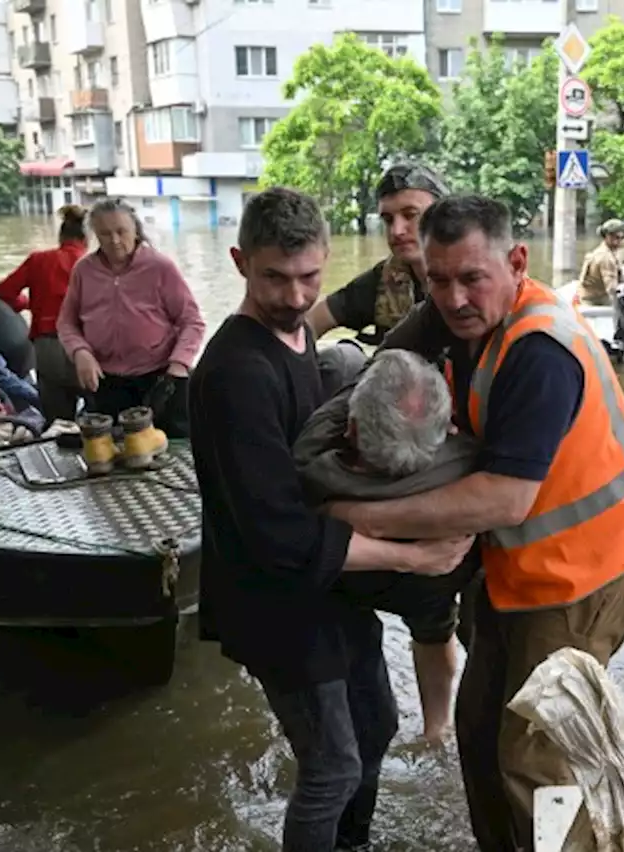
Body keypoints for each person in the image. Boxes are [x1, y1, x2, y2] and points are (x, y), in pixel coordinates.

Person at [327, 195, 624, 852]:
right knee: (478, 729)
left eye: (471, 279)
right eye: (438, 280)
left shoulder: (539, 354)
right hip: (522, 572)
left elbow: (503, 501)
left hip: (587, 577)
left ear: (517, 262)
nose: (454, 299)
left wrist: (355, 517)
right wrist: (349, 420)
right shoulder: (455, 312)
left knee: (536, 757)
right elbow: (384, 366)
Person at [186, 187, 474, 852]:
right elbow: (278, 536)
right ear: (240, 261)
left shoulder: (301, 337)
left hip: (331, 588)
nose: (294, 297)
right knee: (332, 766)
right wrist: (411, 558)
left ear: (328, 260)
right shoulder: (235, 372)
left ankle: (352, 843)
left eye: (309, 278)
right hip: (272, 600)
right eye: (275, 279)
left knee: (375, 727)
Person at [295, 348, 480, 746]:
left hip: (346, 575)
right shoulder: (467, 464)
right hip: (433, 579)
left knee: (344, 359)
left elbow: (348, 392)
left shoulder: (313, 465)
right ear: (446, 426)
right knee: (435, 632)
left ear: (353, 430)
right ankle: (437, 729)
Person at [57, 198, 205, 438]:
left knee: (174, 450)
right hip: (106, 380)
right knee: (112, 453)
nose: (114, 241)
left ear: (135, 230)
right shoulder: (84, 271)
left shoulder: (160, 267)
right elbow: (67, 322)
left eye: (121, 231)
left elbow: (192, 321)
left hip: (160, 378)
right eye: (105, 234)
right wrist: (80, 352)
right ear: (94, 234)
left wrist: (179, 364)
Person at [306, 163, 449, 345]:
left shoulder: (472, 275)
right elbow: (311, 322)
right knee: (342, 359)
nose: (397, 231)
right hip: (402, 370)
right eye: (388, 220)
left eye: (410, 215)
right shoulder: (385, 279)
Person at [0, 203, 89, 423]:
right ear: (87, 238)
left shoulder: (39, 260)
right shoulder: (92, 263)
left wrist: (29, 304)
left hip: (47, 345)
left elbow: (4, 293)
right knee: (98, 417)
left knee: (57, 421)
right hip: (87, 347)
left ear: (61, 235)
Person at [576, 218, 624, 306]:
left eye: (622, 238)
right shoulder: (606, 258)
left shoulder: (600, 251)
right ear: (607, 237)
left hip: (587, 296)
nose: (620, 242)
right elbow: (611, 288)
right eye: (617, 238)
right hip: (595, 301)